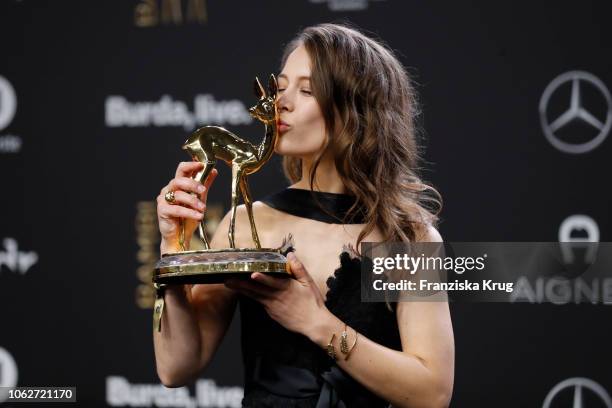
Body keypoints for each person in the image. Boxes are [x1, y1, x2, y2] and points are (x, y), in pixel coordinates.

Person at [154, 23, 454, 408]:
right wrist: (174, 249)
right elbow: (176, 368)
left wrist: (315, 322)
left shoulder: (410, 238)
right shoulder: (247, 223)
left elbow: (433, 393)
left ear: (356, 110)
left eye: (307, 90)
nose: (282, 102)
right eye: (280, 88)